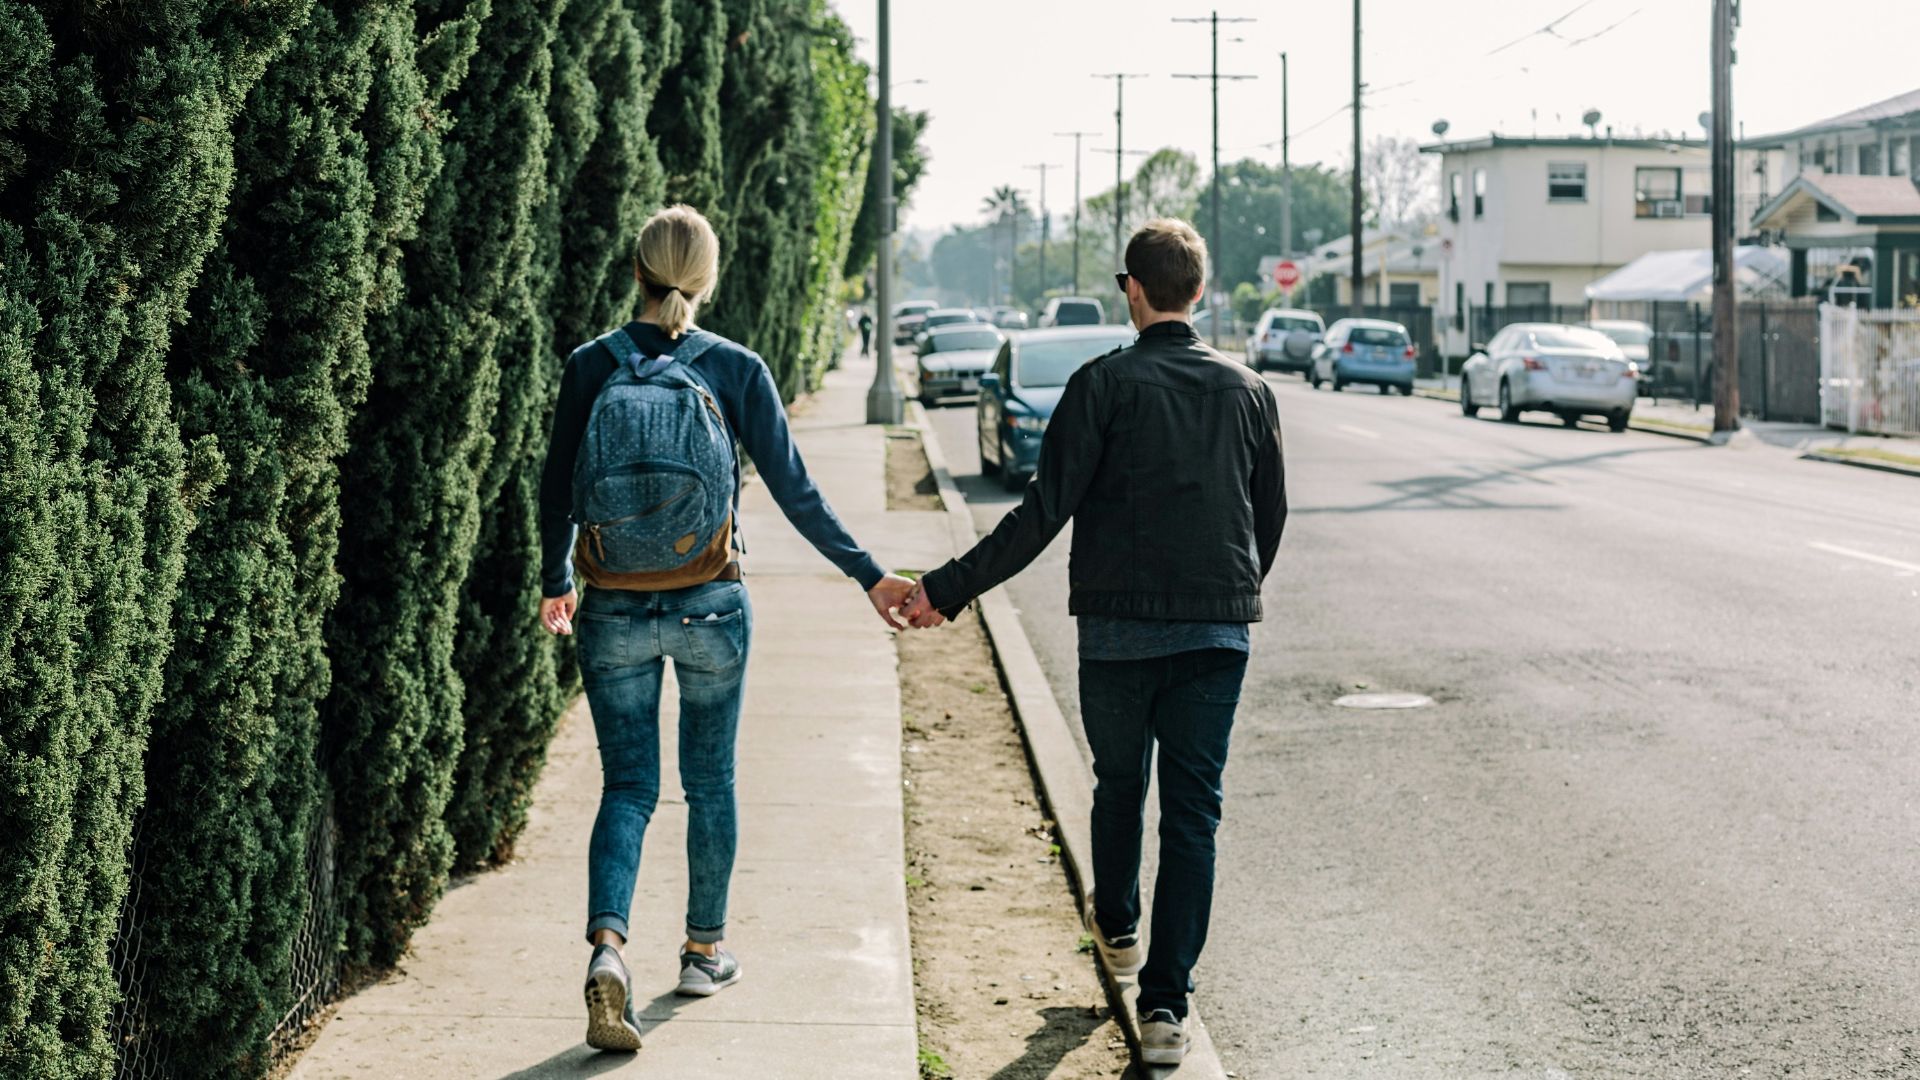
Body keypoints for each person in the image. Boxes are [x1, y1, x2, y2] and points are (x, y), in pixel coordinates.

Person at [901, 218, 1287, 1066]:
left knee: (1119, 785)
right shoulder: (1251, 391)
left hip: (1117, 633)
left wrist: (945, 588)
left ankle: (1116, 927)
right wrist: (1229, 593)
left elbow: (1043, 515)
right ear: (1199, 289)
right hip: (1218, 635)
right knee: (1195, 815)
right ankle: (1165, 1011)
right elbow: (1271, 518)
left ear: (1132, 289)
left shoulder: (1102, 386)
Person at [537, 204, 916, 1052]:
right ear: (707, 280)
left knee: (628, 787)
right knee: (709, 781)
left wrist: (556, 579)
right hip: (712, 603)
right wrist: (868, 574)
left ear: (635, 271)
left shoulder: (590, 366)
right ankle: (704, 951)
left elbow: (555, 487)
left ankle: (608, 950)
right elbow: (795, 490)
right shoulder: (737, 368)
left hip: (614, 608)